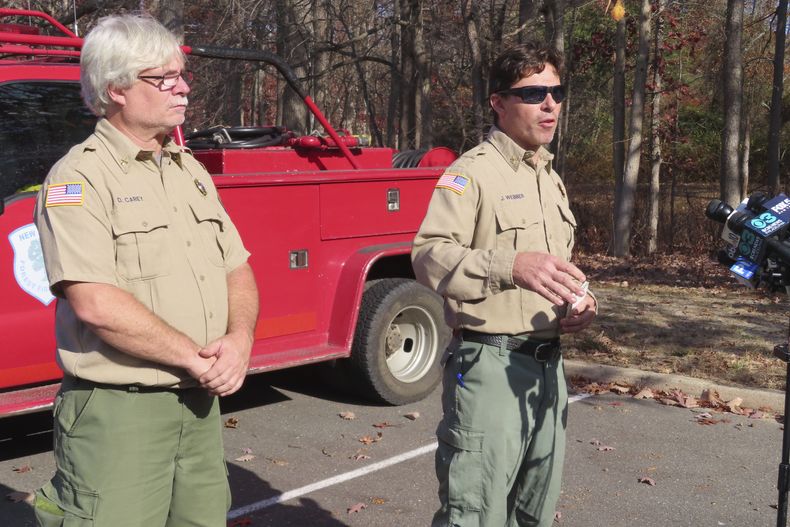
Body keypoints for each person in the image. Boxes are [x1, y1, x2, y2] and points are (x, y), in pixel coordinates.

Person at [32, 14, 259, 527]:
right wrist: (196, 358)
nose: (182, 89)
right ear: (115, 88)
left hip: (198, 408)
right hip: (120, 414)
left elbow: (237, 268)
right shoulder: (79, 179)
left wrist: (240, 339)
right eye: (163, 78)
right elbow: (95, 302)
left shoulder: (189, 170)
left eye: (182, 75)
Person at [412, 41, 597, 527]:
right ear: (498, 102)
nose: (550, 103)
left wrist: (582, 301)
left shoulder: (548, 176)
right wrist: (508, 267)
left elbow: (556, 266)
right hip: (488, 365)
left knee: (534, 511)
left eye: (556, 91)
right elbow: (428, 256)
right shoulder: (469, 174)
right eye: (534, 92)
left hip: (548, 367)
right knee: (475, 514)